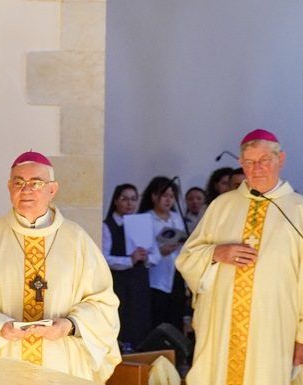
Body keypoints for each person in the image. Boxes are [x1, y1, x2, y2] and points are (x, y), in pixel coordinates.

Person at [0, 151, 120, 383]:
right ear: (9, 188)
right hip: (2, 364)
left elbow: (103, 303)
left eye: (36, 183)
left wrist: (70, 325)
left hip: (61, 365)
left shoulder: (77, 240)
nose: (26, 189)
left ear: (52, 190)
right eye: (19, 182)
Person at [176, 129, 303, 385]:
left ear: (281, 159)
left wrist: (302, 337)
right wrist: (215, 253)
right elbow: (186, 259)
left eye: (264, 160)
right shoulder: (222, 206)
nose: (257, 168)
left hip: (274, 327)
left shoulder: (298, 210)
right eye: (249, 162)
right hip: (221, 325)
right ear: (240, 164)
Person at [101, 183, 152, 352]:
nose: (129, 204)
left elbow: (153, 254)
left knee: (139, 318)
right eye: (124, 199)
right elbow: (104, 258)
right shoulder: (107, 226)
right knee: (123, 318)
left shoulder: (140, 224)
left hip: (139, 279)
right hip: (120, 282)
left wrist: (146, 257)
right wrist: (129, 260)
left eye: (133, 199)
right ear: (116, 201)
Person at [138, 176, 187, 332]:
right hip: (155, 278)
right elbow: (142, 254)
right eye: (164, 196)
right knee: (157, 321)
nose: (168, 200)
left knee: (175, 319)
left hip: (176, 275)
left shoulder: (177, 218)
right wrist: (160, 252)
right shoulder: (145, 219)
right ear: (154, 197)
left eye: (172, 196)